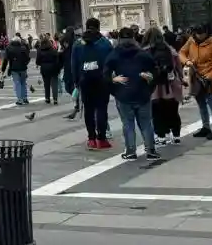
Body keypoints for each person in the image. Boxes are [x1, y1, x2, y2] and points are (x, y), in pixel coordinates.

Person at [105, 26, 161, 161]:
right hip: (142, 93)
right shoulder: (142, 53)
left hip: (124, 95)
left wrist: (113, 83)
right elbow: (155, 72)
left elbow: (105, 74)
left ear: (119, 39)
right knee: (146, 123)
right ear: (134, 38)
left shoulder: (114, 54)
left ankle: (130, 151)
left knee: (128, 124)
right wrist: (149, 82)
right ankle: (151, 150)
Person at [70, 18, 114, 149]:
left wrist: (76, 82)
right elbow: (111, 62)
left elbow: (74, 65)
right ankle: (102, 138)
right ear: (98, 27)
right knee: (101, 109)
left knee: (88, 110)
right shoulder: (105, 43)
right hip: (102, 80)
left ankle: (91, 139)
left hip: (85, 81)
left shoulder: (78, 44)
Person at [180, 24, 212, 140]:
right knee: (201, 104)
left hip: (209, 79)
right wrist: (187, 62)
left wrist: (210, 75)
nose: (200, 36)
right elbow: (181, 53)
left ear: (207, 33)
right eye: (197, 33)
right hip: (195, 77)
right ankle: (206, 127)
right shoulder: (191, 41)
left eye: (202, 33)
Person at [144, 26, 184, 144]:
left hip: (155, 85)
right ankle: (176, 134)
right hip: (171, 84)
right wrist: (181, 78)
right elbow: (178, 67)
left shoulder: (146, 51)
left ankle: (161, 135)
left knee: (157, 111)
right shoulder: (170, 49)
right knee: (172, 110)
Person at [0, 31, 32, 106]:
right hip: (23, 68)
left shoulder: (9, 48)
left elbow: (5, 60)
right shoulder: (23, 48)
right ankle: (25, 98)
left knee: (17, 83)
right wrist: (25, 64)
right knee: (23, 83)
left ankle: (19, 100)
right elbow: (28, 58)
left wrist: (3, 69)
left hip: (14, 68)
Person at [36, 34, 64, 105]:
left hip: (44, 69)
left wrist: (42, 63)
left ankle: (47, 98)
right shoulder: (53, 49)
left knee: (46, 84)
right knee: (54, 84)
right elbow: (57, 60)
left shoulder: (39, 50)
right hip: (53, 68)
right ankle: (55, 99)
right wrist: (58, 68)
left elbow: (37, 61)